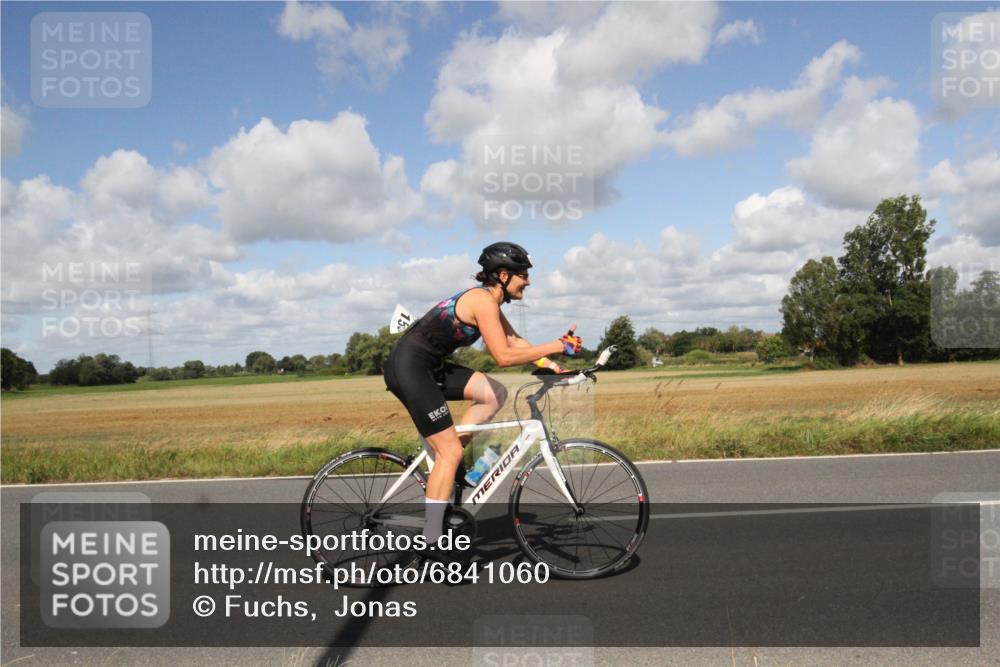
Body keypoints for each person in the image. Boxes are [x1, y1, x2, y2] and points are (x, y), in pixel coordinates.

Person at [383, 241, 583, 547]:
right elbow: (502, 356)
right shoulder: (482, 301)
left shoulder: (491, 302)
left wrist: (551, 365)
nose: (527, 281)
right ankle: (432, 539)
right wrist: (557, 344)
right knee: (451, 452)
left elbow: (514, 341)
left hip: (430, 366)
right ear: (503, 275)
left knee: (494, 393)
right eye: (523, 274)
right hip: (409, 368)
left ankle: (446, 463)